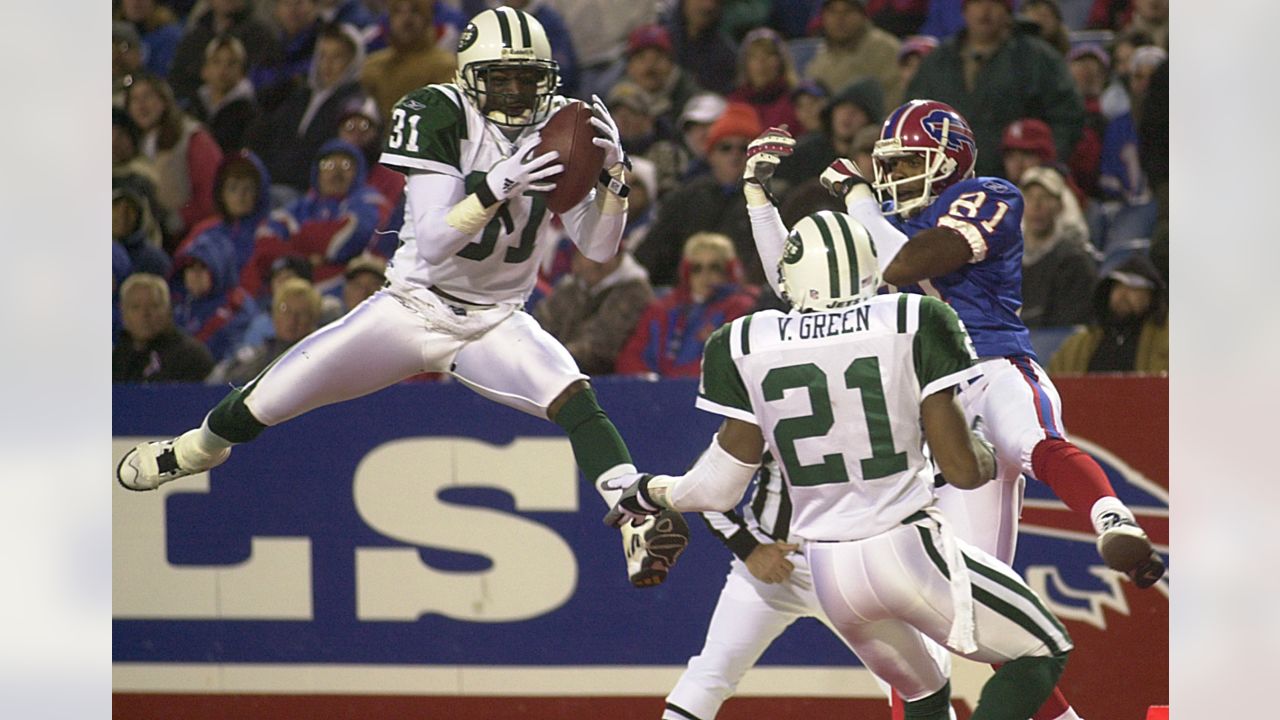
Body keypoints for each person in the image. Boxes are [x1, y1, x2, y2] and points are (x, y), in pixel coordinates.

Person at [115, 6, 691, 590]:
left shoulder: (558, 128)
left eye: (529, 78)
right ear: (470, 75)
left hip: (494, 320)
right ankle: (197, 449)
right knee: (267, 401)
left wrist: (613, 188)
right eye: (503, 78)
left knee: (574, 400)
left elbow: (596, 248)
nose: (518, 92)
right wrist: (496, 185)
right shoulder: (437, 112)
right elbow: (438, 243)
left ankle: (636, 518)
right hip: (413, 306)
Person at [604, 208, 1072, 720]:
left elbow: (716, 489)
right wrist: (983, 443)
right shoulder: (911, 319)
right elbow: (962, 470)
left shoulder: (747, 341)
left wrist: (649, 492)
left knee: (924, 695)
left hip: (831, 573)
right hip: (904, 546)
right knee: (1043, 649)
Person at [809, 99, 1163, 719]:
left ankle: (1112, 519)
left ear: (950, 160)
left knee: (1033, 441)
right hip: (931, 400)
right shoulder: (884, 220)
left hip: (991, 363)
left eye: (907, 162)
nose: (893, 177)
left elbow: (916, 260)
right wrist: (763, 205)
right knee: (959, 609)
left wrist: (860, 203)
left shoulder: (988, 193)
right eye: (886, 166)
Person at [904, 0, 1083, 179]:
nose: (985, 10)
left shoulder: (1038, 58)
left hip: (1016, 183)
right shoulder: (937, 61)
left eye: (994, 3)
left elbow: (1067, 117)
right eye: (977, 3)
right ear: (964, 11)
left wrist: (1044, 164)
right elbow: (913, 115)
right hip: (946, 179)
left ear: (1007, 12)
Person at [635, 102, 764, 287]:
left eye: (744, 148)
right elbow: (652, 253)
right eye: (726, 148)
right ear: (711, 155)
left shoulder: (773, 199)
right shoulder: (685, 198)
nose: (735, 155)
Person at [245, 22, 368, 196]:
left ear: (353, 62)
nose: (327, 64)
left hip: (307, 192)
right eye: (323, 56)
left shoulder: (353, 104)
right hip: (275, 182)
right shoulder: (302, 95)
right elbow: (274, 133)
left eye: (337, 57)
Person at [617, 232, 757, 379]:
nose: (705, 275)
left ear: (729, 269)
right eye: (697, 268)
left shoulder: (741, 307)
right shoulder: (661, 309)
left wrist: (673, 381)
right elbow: (631, 355)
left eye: (714, 267)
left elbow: (726, 361)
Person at [125, 72, 225, 248]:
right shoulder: (130, 146)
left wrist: (176, 221)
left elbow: (212, 194)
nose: (141, 105)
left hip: (191, 238)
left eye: (147, 96)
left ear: (164, 101)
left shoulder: (193, 138)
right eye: (134, 99)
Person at [533, 246, 654, 376]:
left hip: (599, 382)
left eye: (581, 256)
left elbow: (602, 347)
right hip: (556, 370)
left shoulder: (633, 293)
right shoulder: (570, 287)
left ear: (604, 257)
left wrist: (552, 360)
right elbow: (542, 324)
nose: (575, 266)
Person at [1047, 254, 1168, 375]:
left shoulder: (1166, 338)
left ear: (1151, 296)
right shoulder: (1079, 345)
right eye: (1117, 286)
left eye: (1134, 288)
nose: (1123, 294)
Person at [206, 277, 326, 386]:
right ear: (274, 315)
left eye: (301, 313)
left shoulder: (322, 360)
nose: (292, 320)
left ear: (313, 318)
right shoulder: (256, 358)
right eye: (285, 311)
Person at [1018, 166, 1097, 329]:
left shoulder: (1074, 261)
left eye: (1045, 197)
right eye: (1029, 197)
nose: (1036, 205)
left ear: (1060, 206)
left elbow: (1071, 325)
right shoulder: (1006, 259)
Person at [360, 0, 456, 125]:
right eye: (398, 12)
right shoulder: (374, 66)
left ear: (427, 19)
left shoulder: (444, 65)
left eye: (414, 11)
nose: (406, 19)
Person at [113, 273, 216, 383]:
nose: (144, 314)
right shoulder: (115, 359)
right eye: (135, 307)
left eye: (154, 306)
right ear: (123, 313)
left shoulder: (192, 357)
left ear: (168, 310)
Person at [803, 0, 900, 100]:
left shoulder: (885, 49)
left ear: (862, 15)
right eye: (832, 12)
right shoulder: (821, 57)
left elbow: (896, 98)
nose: (839, 19)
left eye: (848, 11)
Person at [190, 35, 260, 154]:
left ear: (242, 72)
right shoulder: (192, 107)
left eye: (231, 63)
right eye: (216, 62)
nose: (223, 70)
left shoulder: (250, 115)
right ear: (205, 69)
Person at [727, 27, 801, 133]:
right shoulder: (735, 103)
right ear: (745, 64)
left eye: (769, 55)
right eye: (754, 56)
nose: (761, 63)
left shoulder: (796, 101)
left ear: (781, 62)